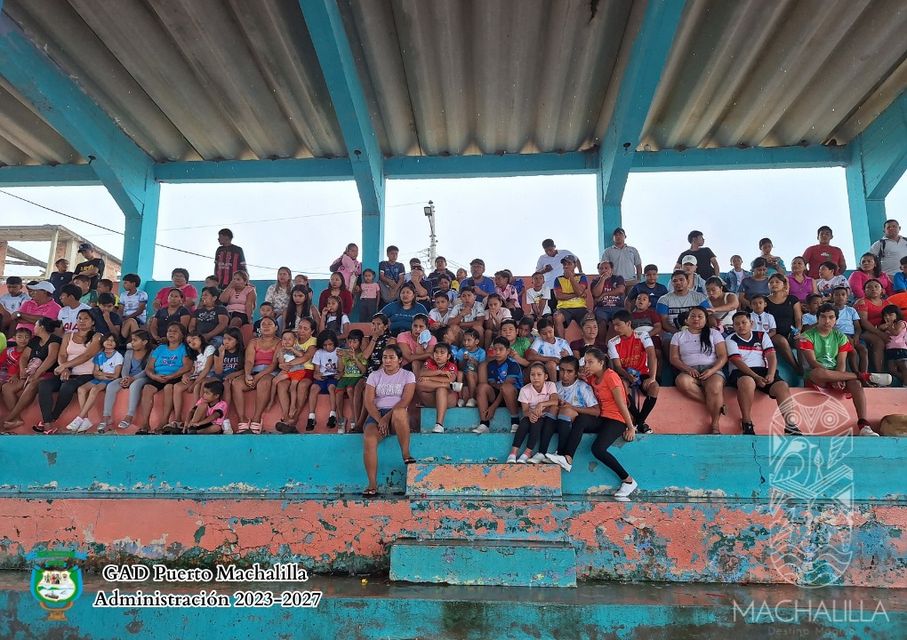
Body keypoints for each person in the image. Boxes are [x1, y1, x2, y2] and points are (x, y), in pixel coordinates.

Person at [798, 304, 891, 436]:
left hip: (838, 374)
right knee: (819, 372)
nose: (827, 321)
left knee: (856, 384)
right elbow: (813, 362)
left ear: (836, 320)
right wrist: (835, 377)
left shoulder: (840, 336)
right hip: (816, 376)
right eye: (823, 317)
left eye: (831, 317)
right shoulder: (806, 336)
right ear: (817, 319)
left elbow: (841, 362)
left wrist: (838, 377)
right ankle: (864, 376)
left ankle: (864, 425)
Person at [725, 312, 800, 436]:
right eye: (737, 324)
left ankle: (790, 425)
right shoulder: (730, 339)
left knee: (782, 386)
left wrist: (770, 374)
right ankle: (747, 422)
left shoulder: (762, 335)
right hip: (741, 371)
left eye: (744, 322)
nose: (741, 326)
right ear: (733, 326)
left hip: (763, 371)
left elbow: (771, 355)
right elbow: (736, 361)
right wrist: (755, 377)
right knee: (747, 382)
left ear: (751, 323)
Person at [581, 347, 639, 497]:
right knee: (579, 422)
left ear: (601, 363)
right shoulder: (592, 378)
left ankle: (628, 480)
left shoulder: (611, 376)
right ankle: (565, 456)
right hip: (602, 418)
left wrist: (630, 427)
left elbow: (622, 404)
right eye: (585, 362)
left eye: (590, 362)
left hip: (617, 420)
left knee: (598, 449)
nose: (586, 365)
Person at [34, 309, 102, 434]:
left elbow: (87, 355)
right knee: (44, 385)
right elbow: (62, 354)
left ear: (93, 322)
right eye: (79, 318)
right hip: (67, 372)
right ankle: (47, 423)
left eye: (86, 318)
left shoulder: (97, 336)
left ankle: (52, 418)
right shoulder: (68, 335)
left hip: (86, 374)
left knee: (67, 386)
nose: (82, 321)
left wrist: (64, 366)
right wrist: (64, 368)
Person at [361, 345, 416, 496]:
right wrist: (380, 419)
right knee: (369, 439)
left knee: (399, 411)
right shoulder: (374, 376)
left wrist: (386, 418)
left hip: (396, 415)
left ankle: (405, 453)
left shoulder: (408, 375)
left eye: (392, 357)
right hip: (377, 414)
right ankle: (372, 484)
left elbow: (405, 400)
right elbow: (369, 402)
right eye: (385, 357)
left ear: (400, 360)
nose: (387, 361)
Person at [669, 307, 728, 434]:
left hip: (711, 369)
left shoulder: (714, 333)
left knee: (715, 387)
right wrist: (688, 369)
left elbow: (723, 356)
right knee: (682, 382)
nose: (696, 319)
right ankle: (715, 405)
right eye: (693, 316)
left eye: (700, 316)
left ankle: (715, 425)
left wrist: (712, 370)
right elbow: (674, 358)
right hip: (689, 371)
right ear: (686, 320)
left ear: (706, 320)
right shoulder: (678, 336)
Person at [539, 356, 599, 472]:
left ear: (576, 373)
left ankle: (561, 453)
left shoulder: (582, 387)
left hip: (575, 423)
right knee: (554, 408)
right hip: (556, 421)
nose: (564, 375)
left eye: (569, 371)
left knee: (566, 410)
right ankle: (541, 452)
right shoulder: (555, 387)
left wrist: (572, 407)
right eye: (562, 370)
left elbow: (596, 411)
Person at [1, 318, 61, 430]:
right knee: (6, 388)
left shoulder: (54, 340)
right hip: (30, 373)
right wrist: (23, 371)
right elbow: (24, 357)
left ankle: (9, 418)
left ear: (41, 327)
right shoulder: (35, 340)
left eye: (36, 325)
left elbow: (51, 359)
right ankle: (17, 419)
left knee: (32, 385)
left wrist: (36, 375)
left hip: (48, 374)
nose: (34, 328)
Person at [133, 323, 192, 434]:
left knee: (168, 387)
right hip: (158, 376)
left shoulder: (184, 348)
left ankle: (163, 422)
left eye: (175, 331)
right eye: (169, 331)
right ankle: (145, 424)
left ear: (182, 335)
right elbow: (149, 368)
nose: (171, 333)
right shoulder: (160, 348)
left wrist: (172, 376)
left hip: (175, 376)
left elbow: (187, 366)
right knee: (147, 389)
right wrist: (154, 376)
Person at [608, 310, 658, 433]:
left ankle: (638, 422)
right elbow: (618, 367)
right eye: (614, 325)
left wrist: (652, 377)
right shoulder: (612, 342)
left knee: (654, 387)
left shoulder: (642, 335)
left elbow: (652, 355)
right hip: (624, 375)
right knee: (622, 387)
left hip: (642, 373)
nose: (615, 328)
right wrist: (629, 376)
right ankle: (641, 423)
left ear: (628, 323)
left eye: (618, 325)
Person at [230, 316, 279, 434]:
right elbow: (249, 361)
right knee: (236, 383)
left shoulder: (280, 342)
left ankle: (257, 418)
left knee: (264, 382)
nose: (266, 326)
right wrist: (248, 375)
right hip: (254, 371)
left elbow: (274, 364)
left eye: (269, 324)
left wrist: (257, 377)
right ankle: (242, 419)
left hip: (270, 372)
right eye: (263, 324)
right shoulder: (253, 342)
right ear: (259, 328)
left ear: (276, 328)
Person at [70, 333, 124, 433]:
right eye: (107, 340)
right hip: (99, 378)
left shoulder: (118, 356)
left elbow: (116, 375)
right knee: (81, 389)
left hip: (109, 380)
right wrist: (100, 375)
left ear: (116, 343)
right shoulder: (99, 355)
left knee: (94, 389)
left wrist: (102, 375)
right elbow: (95, 372)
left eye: (112, 340)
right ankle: (85, 419)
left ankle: (80, 417)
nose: (109, 342)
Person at [506, 362, 557, 463]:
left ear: (545, 377)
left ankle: (527, 452)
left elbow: (555, 401)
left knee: (536, 422)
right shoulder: (525, 390)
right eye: (532, 375)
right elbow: (525, 411)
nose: (535, 377)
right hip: (531, 415)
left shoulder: (550, 385)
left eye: (539, 374)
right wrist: (531, 414)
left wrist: (541, 404)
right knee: (524, 423)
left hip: (546, 417)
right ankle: (513, 453)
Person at [102, 330, 152, 431]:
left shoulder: (151, 353)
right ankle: (106, 416)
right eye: (131, 340)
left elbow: (147, 370)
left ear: (144, 342)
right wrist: (125, 378)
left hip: (143, 378)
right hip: (128, 377)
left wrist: (133, 379)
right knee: (111, 386)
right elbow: (125, 368)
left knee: (135, 385)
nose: (132, 343)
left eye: (135, 340)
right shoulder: (129, 352)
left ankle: (129, 415)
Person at [473, 336, 523, 435]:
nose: (497, 352)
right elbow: (493, 384)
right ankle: (484, 423)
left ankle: (515, 422)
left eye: (501, 349)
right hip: (499, 394)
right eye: (495, 349)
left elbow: (505, 386)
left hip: (513, 397)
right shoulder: (492, 364)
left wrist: (493, 407)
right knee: (482, 387)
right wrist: (499, 386)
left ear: (508, 351)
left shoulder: (512, 364)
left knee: (506, 387)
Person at [274, 320, 316, 433]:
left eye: (305, 329)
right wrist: (282, 364)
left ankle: (294, 418)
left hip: (307, 370)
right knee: (281, 385)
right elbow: (282, 354)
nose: (301, 331)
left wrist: (287, 364)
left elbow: (305, 357)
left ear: (312, 331)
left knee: (302, 386)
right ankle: (286, 417)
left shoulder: (313, 341)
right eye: (300, 327)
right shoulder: (292, 338)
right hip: (291, 370)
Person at [417, 342, 462, 434]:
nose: (438, 355)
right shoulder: (429, 362)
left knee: (441, 390)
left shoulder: (451, 366)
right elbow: (421, 374)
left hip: (448, 400)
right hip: (430, 399)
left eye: (442, 353)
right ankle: (447, 386)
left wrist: (429, 378)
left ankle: (439, 425)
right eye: (436, 352)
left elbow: (450, 379)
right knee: (419, 383)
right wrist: (439, 373)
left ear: (448, 356)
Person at [655, 270, 711, 341]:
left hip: (697, 332)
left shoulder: (700, 298)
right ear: (672, 283)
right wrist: (681, 334)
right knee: (667, 341)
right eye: (675, 281)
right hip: (672, 333)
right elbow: (665, 324)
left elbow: (706, 318)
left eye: (681, 280)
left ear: (688, 281)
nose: (678, 283)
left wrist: (693, 333)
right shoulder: (663, 300)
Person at [764, 273, 803, 373]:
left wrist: (798, 330)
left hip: (791, 332)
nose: (774, 284)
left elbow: (798, 318)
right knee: (781, 340)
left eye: (777, 282)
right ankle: (796, 368)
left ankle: (804, 368)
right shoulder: (764, 301)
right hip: (774, 334)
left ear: (784, 284)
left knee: (800, 341)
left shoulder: (792, 299)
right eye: (771, 282)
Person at [305, 329, 341, 430]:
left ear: (334, 342)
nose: (327, 347)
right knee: (313, 388)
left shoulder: (339, 351)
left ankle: (332, 415)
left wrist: (340, 373)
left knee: (331, 388)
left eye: (330, 344)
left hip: (333, 376)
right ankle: (311, 416)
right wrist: (317, 375)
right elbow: (316, 370)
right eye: (325, 345)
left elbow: (341, 369)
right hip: (322, 376)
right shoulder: (319, 352)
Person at [536, 239, 583, 313]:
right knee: (551, 311)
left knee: (564, 310)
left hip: (563, 286)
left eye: (550, 250)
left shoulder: (565, 253)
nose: (548, 252)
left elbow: (576, 260)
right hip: (549, 288)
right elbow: (536, 274)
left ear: (554, 246)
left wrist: (580, 271)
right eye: (546, 251)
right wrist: (544, 270)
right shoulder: (542, 258)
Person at [854, 279, 889, 372]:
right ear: (864, 291)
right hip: (864, 331)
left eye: (876, 286)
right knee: (879, 342)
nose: (873, 289)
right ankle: (879, 373)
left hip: (883, 330)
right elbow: (863, 322)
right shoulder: (862, 302)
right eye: (869, 287)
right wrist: (880, 333)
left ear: (882, 290)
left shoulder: (887, 303)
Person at [830, 286, 867, 374]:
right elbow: (831, 327)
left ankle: (864, 373)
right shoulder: (830, 310)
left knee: (863, 350)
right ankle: (856, 374)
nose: (840, 297)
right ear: (832, 297)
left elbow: (857, 327)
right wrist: (845, 337)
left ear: (847, 297)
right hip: (838, 336)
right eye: (837, 295)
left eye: (843, 294)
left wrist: (856, 336)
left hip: (852, 335)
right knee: (852, 351)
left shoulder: (851, 310)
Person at [336, 329, 367, 433]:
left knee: (350, 390)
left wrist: (355, 358)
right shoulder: (345, 353)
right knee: (338, 392)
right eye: (350, 342)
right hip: (346, 377)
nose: (351, 344)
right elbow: (341, 369)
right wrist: (340, 358)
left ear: (360, 343)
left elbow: (363, 371)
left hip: (357, 377)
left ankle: (354, 417)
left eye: (355, 342)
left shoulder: (363, 354)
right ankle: (341, 419)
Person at [552, 255, 589, 338]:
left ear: (575, 265)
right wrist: (577, 295)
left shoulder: (581, 277)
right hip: (564, 308)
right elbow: (559, 296)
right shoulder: (558, 279)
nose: (566, 266)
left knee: (590, 319)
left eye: (569, 263)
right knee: (557, 317)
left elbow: (580, 291)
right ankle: (562, 343)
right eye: (564, 264)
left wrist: (571, 277)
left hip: (580, 308)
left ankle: (588, 344)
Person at [526, 317, 572, 382]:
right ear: (539, 333)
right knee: (551, 364)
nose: (548, 335)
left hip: (562, 371)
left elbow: (572, 361)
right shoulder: (539, 341)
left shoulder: (562, 342)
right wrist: (552, 359)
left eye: (550, 332)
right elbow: (530, 356)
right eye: (544, 334)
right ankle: (554, 385)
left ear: (553, 328)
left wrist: (567, 356)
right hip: (546, 373)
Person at [591, 260, 625, 337]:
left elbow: (621, 290)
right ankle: (602, 343)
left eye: (606, 268)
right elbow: (596, 294)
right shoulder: (595, 281)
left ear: (611, 270)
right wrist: (602, 279)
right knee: (601, 322)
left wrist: (604, 294)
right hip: (601, 308)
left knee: (616, 323)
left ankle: (615, 343)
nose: (603, 270)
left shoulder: (618, 278)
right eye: (601, 268)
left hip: (617, 307)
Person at [453, 328, 486, 407]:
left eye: (469, 340)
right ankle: (460, 398)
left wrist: (474, 362)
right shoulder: (461, 351)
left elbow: (481, 369)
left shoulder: (481, 352)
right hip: (464, 376)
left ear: (476, 341)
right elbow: (460, 367)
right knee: (459, 373)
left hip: (475, 376)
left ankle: (472, 398)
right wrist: (464, 361)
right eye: (464, 340)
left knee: (469, 373)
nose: (466, 343)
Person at [397, 314, 436, 380]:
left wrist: (419, 342)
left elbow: (426, 359)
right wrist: (428, 354)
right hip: (405, 367)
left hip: (424, 366)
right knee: (415, 362)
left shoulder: (432, 339)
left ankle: (418, 383)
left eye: (421, 327)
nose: (417, 329)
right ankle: (417, 383)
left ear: (426, 328)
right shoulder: (403, 336)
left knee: (417, 363)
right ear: (411, 325)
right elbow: (408, 358)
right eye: (415, 326)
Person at [879, 305, 907, 385]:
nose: (887, 317)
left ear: (897, 314)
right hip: (889, 349)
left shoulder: (901, 323)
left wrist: (889, 325)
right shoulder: (885, 325)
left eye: (890, 315)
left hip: (900, 349)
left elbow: (896, 332)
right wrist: (881, 327)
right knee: (892, 370)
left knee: (904, 367)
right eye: (885, 315)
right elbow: (879, 329)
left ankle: (905, 385)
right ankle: (904, 379)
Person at [118, 274, 148, 341]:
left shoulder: (142, 294)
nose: (123, 285)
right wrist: (120, 318)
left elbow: (140, 311)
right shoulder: (123, 294)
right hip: (125, 317)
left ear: (133, 284)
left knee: (131, 321)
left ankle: (129, 340)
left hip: (138, 318)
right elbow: (120, 309)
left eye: (126, 283)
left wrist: (127, 318)